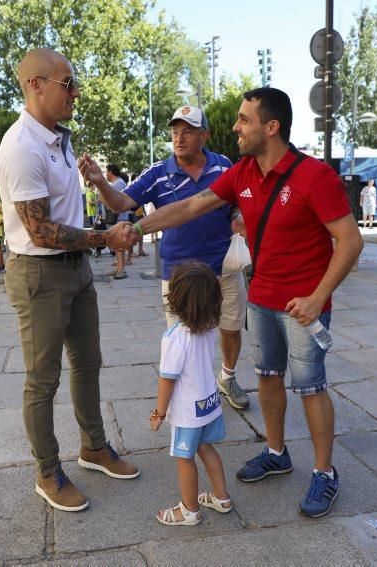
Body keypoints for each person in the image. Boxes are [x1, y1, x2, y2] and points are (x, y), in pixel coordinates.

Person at [109, 87, 363, 518]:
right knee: (267, 378)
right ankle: (276, 451)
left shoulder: (314, 176)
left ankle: (324, 472)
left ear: (272, 126)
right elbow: (190, 207)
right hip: (262, 296)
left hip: (303, 304)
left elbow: (350, 240)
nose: (235, 127)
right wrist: (138, 225)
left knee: (311, 387)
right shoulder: (243, 172)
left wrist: (319, 298)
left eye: (244, 119)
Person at [0, 47, 139, 513]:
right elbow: (40, 230)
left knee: (89, 362)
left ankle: (93, 448)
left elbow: (63, 213)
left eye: (74, 83)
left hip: (75, 270)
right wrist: (104, 238)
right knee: (42, 380)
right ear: (35, 85)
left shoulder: (59, 139)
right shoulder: (22, 147)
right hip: (39, 274)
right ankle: (47, 471)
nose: (75, 92)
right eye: (67, 83)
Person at [80, 105, 251, 411]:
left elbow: (239, 201)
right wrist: (101, 183)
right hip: (178, 272)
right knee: (180, 337)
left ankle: (227, 376)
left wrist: (237, 214)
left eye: (187, 131)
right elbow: (121, 201)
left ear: (205, 135)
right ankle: (187, 392)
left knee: (231, 327)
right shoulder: (158, 173)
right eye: (175, 131)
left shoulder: (225, 167)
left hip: (225, 265)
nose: (179, 138)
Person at [150, 261, 232, 526]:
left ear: (175, 298)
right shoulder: (207, 328)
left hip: (187, 411)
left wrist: (159, 412)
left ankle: (189, 510)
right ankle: (221, 497)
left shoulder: (174, 337)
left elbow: (167, 379)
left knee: (184, 458)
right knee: (206, 448)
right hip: (208, 403)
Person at [106, 164, 129, 279]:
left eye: (106, 172)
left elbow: (115, 201)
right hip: (118, 217)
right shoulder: (118, 183)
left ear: (111, 172)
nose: (106, 174)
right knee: (116, 244)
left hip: (119, 218)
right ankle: (118, 268)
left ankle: (121, 270)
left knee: (119, 244)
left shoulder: (118, 184)